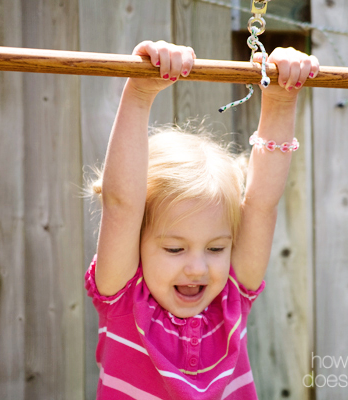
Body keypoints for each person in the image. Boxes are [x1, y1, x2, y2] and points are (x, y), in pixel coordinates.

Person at [85, 40, 319, 399]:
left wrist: (282, 100)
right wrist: (140, 91)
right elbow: (122, 205)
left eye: (215, 248)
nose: (197, 267)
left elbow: (260, 205)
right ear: (137, 243)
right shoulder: (124, 299)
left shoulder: (231, 297)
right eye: (175, 248)